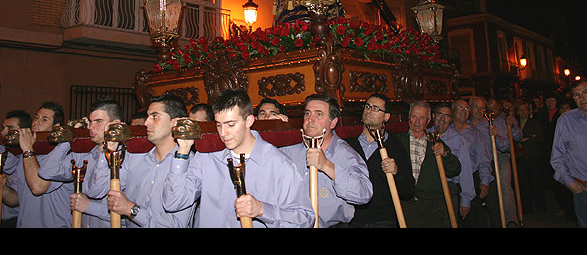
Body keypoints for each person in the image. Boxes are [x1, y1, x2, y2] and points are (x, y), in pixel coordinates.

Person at [162, 89, 314, 228]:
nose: (223, 133)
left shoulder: (279, 163)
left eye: (230, 124)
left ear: (249, 121)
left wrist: (262, 209)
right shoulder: (207, 158)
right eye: (219, 125)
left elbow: (305, 219)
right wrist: (183, 151)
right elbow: (173, 203)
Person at [83, 93, 196, 228]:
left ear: (175, 122)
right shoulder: (134, 159)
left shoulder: (190, 164)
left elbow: (175, 224)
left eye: (155, 116)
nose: (146, 122)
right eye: (148, 116)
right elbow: (95, 191)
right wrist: (109, 148)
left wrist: (132, 210)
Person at [281, 93, 372, 227]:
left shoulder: (346, 155)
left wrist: (327, 166)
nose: (310, 120)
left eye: (318, 114)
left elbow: (364, 193)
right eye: (307, 114)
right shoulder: (288, 152)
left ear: (333, 122)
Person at [37, 98, 124, 228]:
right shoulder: (84, 156)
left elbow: (127, 217)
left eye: (98, 122)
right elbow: (46, 171)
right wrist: (68, 138)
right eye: (90, 122)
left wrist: (89, 207)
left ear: (115, 124)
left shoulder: (125, 158)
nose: (91, 127)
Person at [0, 101, 73, 228]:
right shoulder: (25, 156)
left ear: (56, 127)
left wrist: (28, 150)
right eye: (36, 117)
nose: (36, 123)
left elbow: (37, 187)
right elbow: (15, 199)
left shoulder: (62, 157)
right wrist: (3, 188)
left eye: (44, 119)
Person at [346, 93, 415, 228]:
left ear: (386, 117)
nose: (369, 110)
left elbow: (408, 191)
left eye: (376, 108)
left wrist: (396, 172)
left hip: (383, 219)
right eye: (367, 106)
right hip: (353, 220)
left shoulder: (395, 147)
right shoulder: (348, 146)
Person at [395, 100, 461, 228]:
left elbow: (455, 169)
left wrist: (445, 153)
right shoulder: (398, 142)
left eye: (422, 117)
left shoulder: (435, 142)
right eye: (414, 116)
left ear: (428, 120)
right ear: (409, 118)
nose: (417, 121)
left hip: (432, 209)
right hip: (406, 206)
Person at [551, 77, 587, 227]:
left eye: (586, 92)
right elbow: (557, 157)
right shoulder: (566, 120)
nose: (582, 98)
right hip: (586, 190)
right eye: (577, 95)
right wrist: (570, 182)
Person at [429, 102, 475, 226]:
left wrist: (466, 200)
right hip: (429, 189)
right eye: (439, 114)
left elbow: (465, 171)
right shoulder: (424, 135)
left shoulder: (458, 140)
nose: (442, 119)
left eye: (447, 116)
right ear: (433, 116)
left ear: (451, 120)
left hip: (449, 189)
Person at [451, 98, 494, 228]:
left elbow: (484, 159)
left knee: (472, 219)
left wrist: (484, 182)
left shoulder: (476, 133)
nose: (464, 111)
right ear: (452, 110)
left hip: (471, 178)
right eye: (460, 107)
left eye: (467, 108)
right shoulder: (446, 131)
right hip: (451, 181)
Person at [485, 97, 522, 227]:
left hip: (502, 157)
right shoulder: (482, 121)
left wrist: (511, 127)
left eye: (494, 109)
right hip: (486, 158)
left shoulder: (505, 120)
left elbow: (511, 141)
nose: (492, 112)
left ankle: (511, 219)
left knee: (505, 187)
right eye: (489, 109)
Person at [514, 99, 546, 215]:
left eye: (525, 110)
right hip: (520, 158)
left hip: (533, 157)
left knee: (536, 183)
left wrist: (526, 141)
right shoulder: (514, 123)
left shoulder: (534, 123)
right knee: (523, 184)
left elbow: (539, 138)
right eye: (520, 110)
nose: (523, 113)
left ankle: (541, 208)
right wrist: (527, 139)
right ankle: (527, 208)